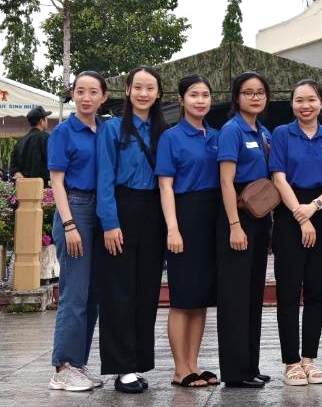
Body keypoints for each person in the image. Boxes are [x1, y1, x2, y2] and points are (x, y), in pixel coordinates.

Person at [269, 79, 322, 387]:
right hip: (290, 214)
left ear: (321, 102)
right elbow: (278, 178)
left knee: (316, 290)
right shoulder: (281, 134)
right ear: (292, 104)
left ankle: (309, 360)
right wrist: (301, 218)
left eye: (311, 100)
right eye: (299, 100)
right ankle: (290, 362)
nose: (305, 105)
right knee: (288, 291)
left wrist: (313, 208)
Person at [94, 66, 166, 394]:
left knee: (146, 291)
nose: (143, 93)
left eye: (150, 88)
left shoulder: (163, 130)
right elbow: (104, 178)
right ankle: (121, 368)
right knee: (118, 292)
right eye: (138, 87)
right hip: (121, 209)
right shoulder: (111, 129)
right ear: (127, 90)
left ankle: (137, 363)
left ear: (158, 93)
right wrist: (110, 223)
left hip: (154, 211)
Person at [156, 74, 220, 389]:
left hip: (213, 220)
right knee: (182, 298)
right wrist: (173, 228)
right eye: (194, 95)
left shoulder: (217, 135)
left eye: (205, 95)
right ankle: (180, 368)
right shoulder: (171, 137)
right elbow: (165, 186)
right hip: (184, 215)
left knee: (201, 298)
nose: (200, 100)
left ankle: (193, 363)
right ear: (181, 100)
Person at [48, 71, 108, 392]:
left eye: (93, 92)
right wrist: (69, 224)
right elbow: (56, 181)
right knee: (74, 292)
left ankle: (78, 364)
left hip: (99, 213)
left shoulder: (104, 131)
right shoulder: (63, 132)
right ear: (72, 95)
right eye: (80, 91)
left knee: (93, 295)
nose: (86, 97)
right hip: (75, 208)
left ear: (103, 97)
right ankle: (63, 366)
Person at [215, 72, 274, 388]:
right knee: (235, 297)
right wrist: (234, 226)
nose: (255, 97)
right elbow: (226, 181)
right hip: (236, 216)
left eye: (260, 92)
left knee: (252, 296)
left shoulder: (263, 131)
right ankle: (235, 372)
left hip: (259, 216)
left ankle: (250, 365)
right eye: (248, 92)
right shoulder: (231, 130)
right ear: (236, 97)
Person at [10, 105, 52, 186]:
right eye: (46, 118)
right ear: (41, 121)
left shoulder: (20, 141)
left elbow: (13, 167)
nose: (47, 121)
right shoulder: (46, 137)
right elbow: (52, 161)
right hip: (41, 187)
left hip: (23, 188)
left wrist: (22, 178)